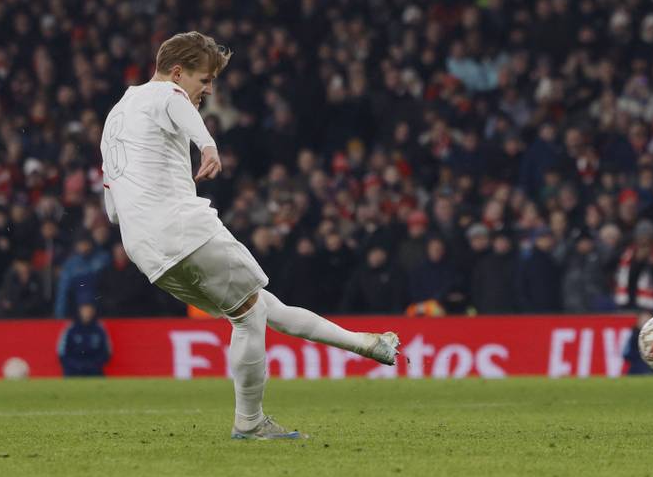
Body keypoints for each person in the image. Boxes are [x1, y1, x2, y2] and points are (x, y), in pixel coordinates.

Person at [100, 32, 400, 440]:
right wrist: (207, 146)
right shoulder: (166, 95)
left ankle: (364, 344)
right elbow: (177, 104)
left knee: (261, 308)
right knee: (249, 317)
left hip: (145, 250)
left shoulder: (117, 114)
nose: (207, 90)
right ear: (176, 72)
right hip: (182, 227)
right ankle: (250, 422)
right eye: (203, 80)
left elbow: (111, 202)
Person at [57, 295, 112, 377]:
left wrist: (93, 365)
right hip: (73, 371)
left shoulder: (99, 329)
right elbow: (62, 353)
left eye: (89, 309)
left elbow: (106, 353)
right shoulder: (71, 329)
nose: (87, 312)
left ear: (93, 311)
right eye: (84, 309)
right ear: (79, 310)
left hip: (94, 371)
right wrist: (75, 365)